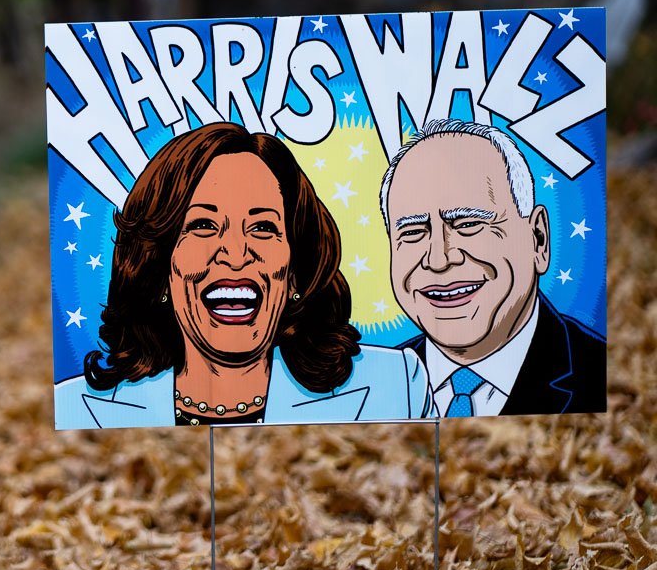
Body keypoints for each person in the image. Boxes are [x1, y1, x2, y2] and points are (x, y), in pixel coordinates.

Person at [54, 122, 433, 429]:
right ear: (158, 268)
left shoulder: (395, 384)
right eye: (202, 225)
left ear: (296, 271)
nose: (235, 255)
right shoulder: (80, 410)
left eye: (263, 228)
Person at [379, 119, 605, 417]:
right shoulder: (370, 386)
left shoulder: (600, 376)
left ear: (538, 239)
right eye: (412, 233)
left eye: (468, 224)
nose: (438, 259)